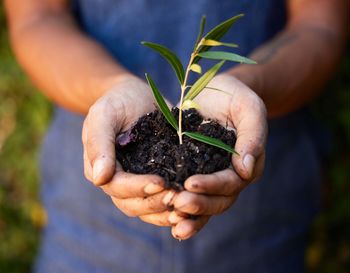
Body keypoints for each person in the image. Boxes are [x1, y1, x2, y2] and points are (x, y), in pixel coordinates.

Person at [5, 0, 349, 272]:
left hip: (262, 222)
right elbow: (38, 17)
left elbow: (320, 23)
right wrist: (110, 89)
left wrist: (248, 86)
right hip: (88, 232)